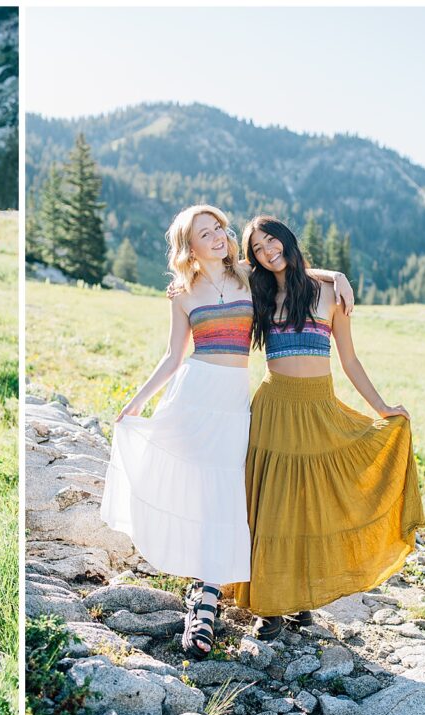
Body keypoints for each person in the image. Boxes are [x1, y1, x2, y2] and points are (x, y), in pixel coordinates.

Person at [102, 204, 353, 658]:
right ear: (189, 246)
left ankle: (211, 594)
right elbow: (173, 355)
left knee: (226, 494)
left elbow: (286, 265)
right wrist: (138, 400)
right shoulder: (182, 292)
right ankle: (203, 603)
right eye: (205, 232)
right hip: (194, 395)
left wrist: (337, 275)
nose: (218, 236)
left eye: (219, 227)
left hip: (235, 402)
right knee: (199, 492)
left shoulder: (245, 276)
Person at [233, 216, 424, 640]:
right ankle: (270, 605)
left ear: (287, 239)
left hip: (318, 408)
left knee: (309, 504)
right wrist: (331, 270)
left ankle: (299, 599)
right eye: (258, 249)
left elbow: (350, 361)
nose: (267, 252)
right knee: (271, 509)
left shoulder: (328, 296)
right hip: (274, 408)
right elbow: (227, 268)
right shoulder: (259, 292)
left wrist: (383, 407)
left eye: (271, 242)